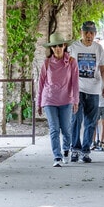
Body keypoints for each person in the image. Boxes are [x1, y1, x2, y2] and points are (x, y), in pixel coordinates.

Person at [68, 21, 104, 163]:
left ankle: (85, 150)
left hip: (93, 90)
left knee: (91, 122)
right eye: (86, 32)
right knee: (76, 120)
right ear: (81, 32)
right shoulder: (73, 47)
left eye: (91, 33)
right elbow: (66, 67)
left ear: (95, 34)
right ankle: (75, 149)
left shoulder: (98, 49)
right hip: (77, 89)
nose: (88, 35)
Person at [36, 33, 80, 167]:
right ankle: (57, 157)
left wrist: (75, 101)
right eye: (54, 46)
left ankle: (66, 149)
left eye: (60, 45)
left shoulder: (71, 62)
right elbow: (41, 83)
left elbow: (75, 83)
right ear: (52, 48)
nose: (57, 48)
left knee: (66, 129)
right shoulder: (47, 63)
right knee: (54, 129)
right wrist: (38, 103)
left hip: (66, 100)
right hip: (49, 99)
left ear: (64, 46)